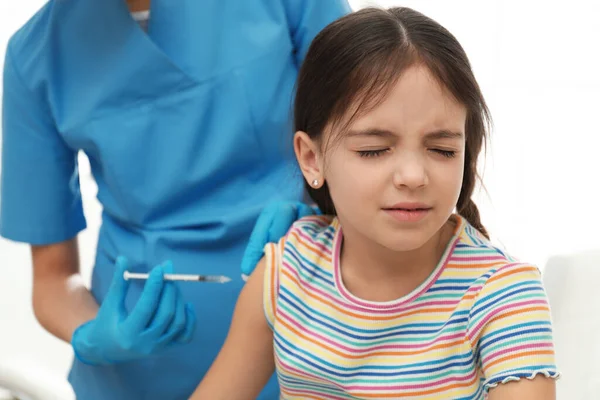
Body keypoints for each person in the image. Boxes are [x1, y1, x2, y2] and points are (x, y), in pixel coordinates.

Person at [191, 7, 560, 399]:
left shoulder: (505, 298)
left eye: (441, 149)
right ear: (312, 158)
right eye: (374, 150)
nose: (413, 175)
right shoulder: (286, 274)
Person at [0, 0, 350, 398]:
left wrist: (326, 210)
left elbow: (371, 124)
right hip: (140, 374)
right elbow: (52, 280)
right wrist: (94, 333)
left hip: (303, 328)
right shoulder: (35, 56)